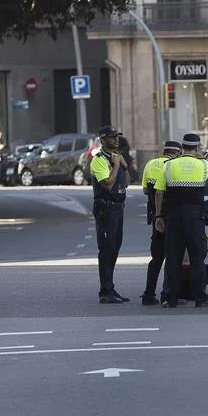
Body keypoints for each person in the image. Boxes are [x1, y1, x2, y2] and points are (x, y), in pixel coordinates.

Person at [153, 133, 208, 308]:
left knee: (173, 258)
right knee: (197, 258)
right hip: (194, 217)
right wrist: (201, 155)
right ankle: (200, 298)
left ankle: (171, 298)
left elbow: (159, 192)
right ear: (196, 148)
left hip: (173, 216)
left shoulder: (168, 165)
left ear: (182, 147)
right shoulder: (203, 165)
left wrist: (158, 216)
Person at [90, 125, 130, 304]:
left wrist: (124, 166)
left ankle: (110, 287)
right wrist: (115, 165)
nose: (116, 140)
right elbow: (107, 183)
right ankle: (106, 291)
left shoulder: (116, 158)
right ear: (103, 139)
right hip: (106, 210)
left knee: (114, 249)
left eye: (117, 137)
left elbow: (126, 183)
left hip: (118, 209)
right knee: (106, 250)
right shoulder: (99, 160)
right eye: (112, 137)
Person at [140, 139, 182, 306]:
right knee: (172, 257)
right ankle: (167, 294)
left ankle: (148, 294)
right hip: (171, 217)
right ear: (178, 152)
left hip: (156, 218)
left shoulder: (150, 164)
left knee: (156, 258)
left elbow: (145, 190)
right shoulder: (173, 166)